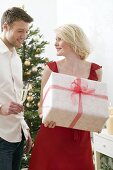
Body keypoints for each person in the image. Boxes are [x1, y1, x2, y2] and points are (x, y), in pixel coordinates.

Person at [29, 24, 102, 170]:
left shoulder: (96, 71)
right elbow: (41, 106)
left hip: (80, 138)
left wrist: (97, 120)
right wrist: (45, 116)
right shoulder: (50, 69)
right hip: (53, 134)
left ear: (72, 40)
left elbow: (94, 105)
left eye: (59, 39)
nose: (55, 43)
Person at [0, 7, 33, 170]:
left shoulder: (16, 58)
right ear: (5, 27)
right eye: (20, 30)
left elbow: (16, 98)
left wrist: (24, 129)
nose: (24, 36)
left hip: (17, 135)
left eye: (27, 31)